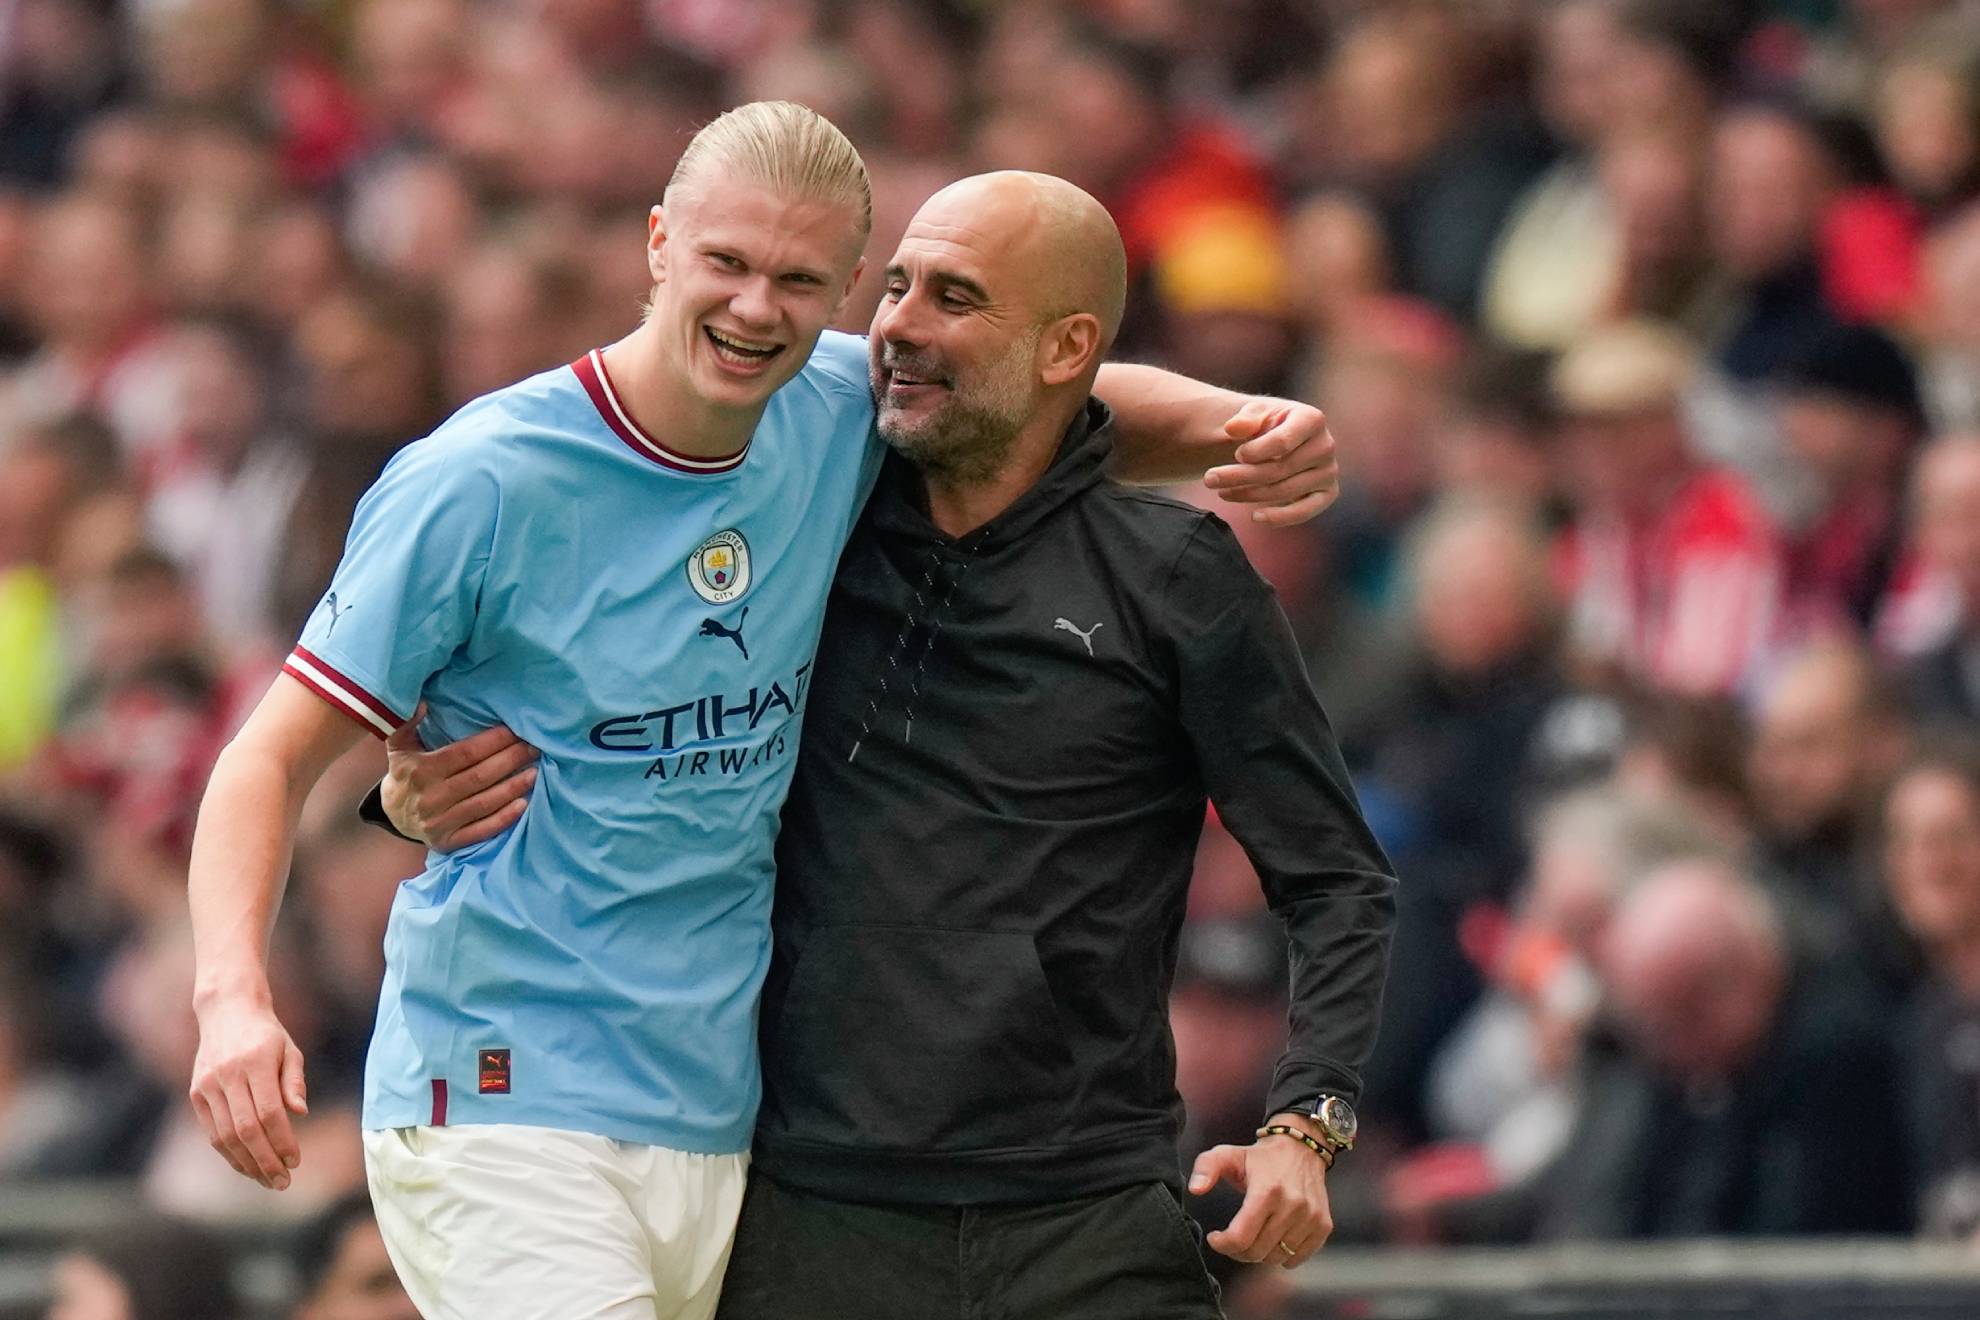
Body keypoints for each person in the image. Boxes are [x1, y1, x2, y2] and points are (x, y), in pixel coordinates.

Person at [185, 102, 1347, 1320]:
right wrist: (231, 1004)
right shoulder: (478, 481)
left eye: (798, 280)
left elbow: (1054, 400)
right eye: (726, 264)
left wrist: (1245, 426)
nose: (754, 310)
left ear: (852, 289)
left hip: (718, 1120)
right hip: (502, 1093)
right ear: (657, 245)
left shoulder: (839, 414)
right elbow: (265, 760)